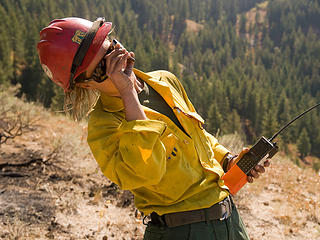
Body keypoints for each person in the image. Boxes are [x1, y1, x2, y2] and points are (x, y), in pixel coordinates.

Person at [37, 17, 270, 240]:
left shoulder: (164, 81)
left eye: (112, 49)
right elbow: (147, 172)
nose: (116, 64)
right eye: (102, 68)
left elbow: (197, 135)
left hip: (230, 222)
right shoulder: (104, 128)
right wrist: (127, 92)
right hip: (180, 232)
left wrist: (228, 160)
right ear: (85, 84)